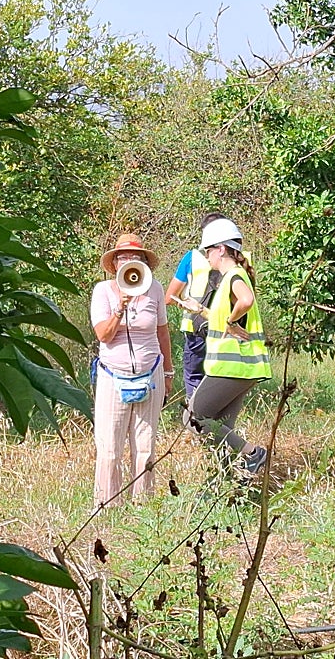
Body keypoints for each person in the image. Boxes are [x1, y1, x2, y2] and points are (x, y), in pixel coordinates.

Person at [90, 233, 174, 508]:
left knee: (145, 447)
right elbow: (103, 335)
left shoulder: (156, 290)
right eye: (124, 257)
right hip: (112, 376)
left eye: (136, 258)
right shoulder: (102, 291)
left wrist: (169, 373)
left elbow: (162, 332)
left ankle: (143, 507)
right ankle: (106, 505)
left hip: (150, 373)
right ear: (114, 263)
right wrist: (119, 308)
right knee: (110, 449)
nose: (130, 262)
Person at [186, 218, 272, 476]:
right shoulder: (230, 278)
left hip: (232, 367)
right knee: (222, 428)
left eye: (208, 250)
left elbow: (245, 300)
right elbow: (223, 319)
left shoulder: (234, 275)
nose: (207, 256)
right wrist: (200, 309)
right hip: (243, 369)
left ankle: (253, 454)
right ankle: (226, 481)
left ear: (221, 249)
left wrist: (232, 321)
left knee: (194, 419)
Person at [165, 212, 229, 403]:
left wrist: (189, 305)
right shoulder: (241, 259)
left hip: (196, 328)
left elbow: (170, 297)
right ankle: (216, 422)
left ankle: (197, 422)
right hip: (228, 329)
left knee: (194, 378)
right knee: (222, 379)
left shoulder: (192, 258)